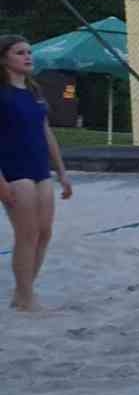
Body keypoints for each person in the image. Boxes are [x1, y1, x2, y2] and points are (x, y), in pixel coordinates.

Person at [0, 35, 73, 312]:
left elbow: (46, 132)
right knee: (26, 234)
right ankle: (27, 298)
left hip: (40, 168)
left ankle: (22, 293)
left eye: (29, 52)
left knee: (44, 232)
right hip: (13, 169)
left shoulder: (34, 91)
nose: (28, 57)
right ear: (4, 58)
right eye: (20, 53)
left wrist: (62, 172)